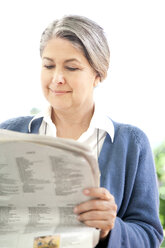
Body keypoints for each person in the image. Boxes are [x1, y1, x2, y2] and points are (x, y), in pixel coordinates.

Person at [0, 15, 163, 247]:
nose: (57, 78)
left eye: (72, 67)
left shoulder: (131, 144)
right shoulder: (8, 134)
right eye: (48, 65)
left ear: (98, 74)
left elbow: (149, 236)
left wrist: (109, 228)